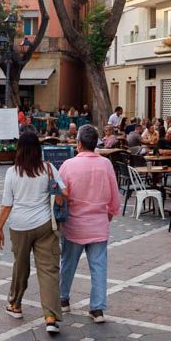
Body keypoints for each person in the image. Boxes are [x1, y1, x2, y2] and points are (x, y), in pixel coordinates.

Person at [0, 130, 63, 333]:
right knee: (48, 270)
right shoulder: (48, 168)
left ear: (20, 150)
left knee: (21, 265)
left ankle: (15, 305)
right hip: (45, 225)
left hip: (19, 226)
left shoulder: (12, 172)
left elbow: (7, 205)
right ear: (38, 149)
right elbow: (63, 194)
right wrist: (55, 192)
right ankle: (50, 317)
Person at [58, 124, 118, 323]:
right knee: (99, 267)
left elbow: (61, 195)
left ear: (79, 144)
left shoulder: (68, 165)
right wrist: (109, 214)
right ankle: (97, 308)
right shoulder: (105, 164)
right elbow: (114, 196)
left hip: (74, 224)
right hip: (98, 223)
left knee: (68, 263)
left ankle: (63, 298)